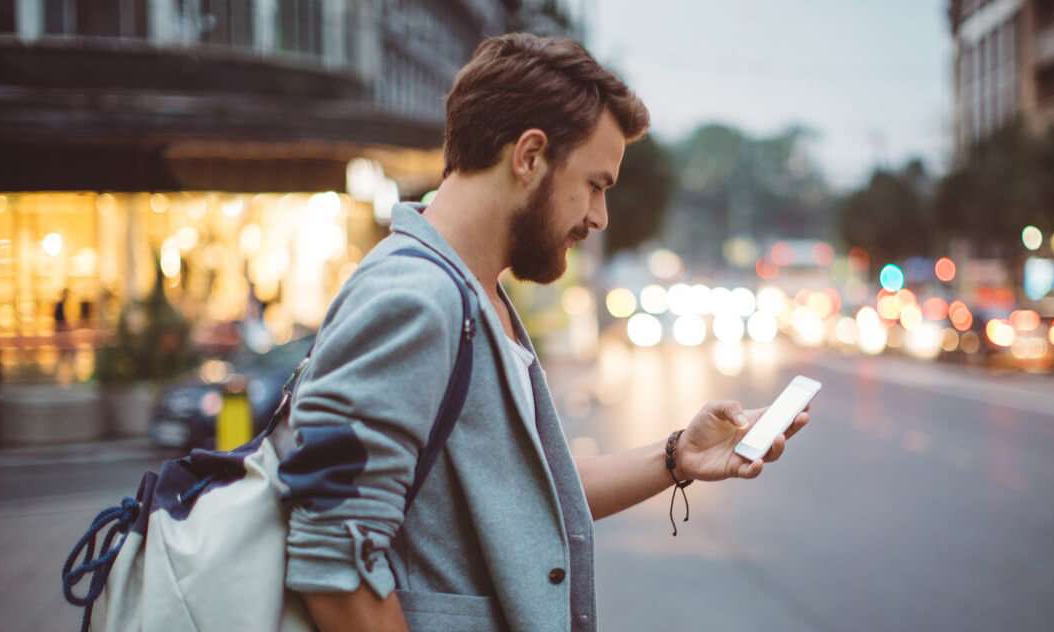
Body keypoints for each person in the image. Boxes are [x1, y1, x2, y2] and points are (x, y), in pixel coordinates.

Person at [283, 34, 811, 632]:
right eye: (595, 184)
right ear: (529, 155)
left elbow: (522, 501)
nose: (599, 216)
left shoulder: (471, 295)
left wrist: (676, 456)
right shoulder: (412, 297)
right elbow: (331, 556)